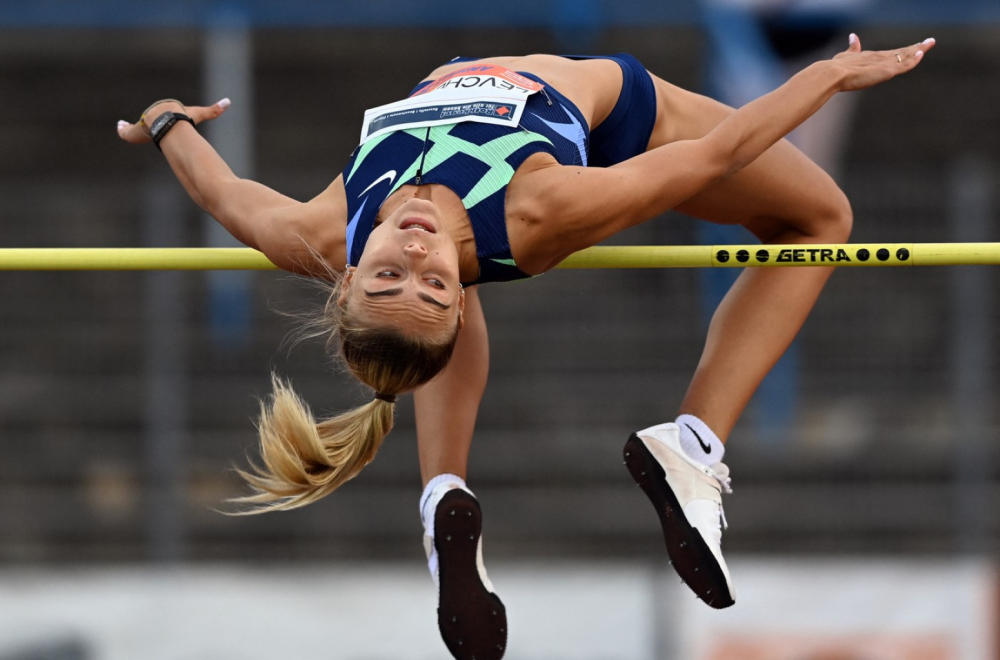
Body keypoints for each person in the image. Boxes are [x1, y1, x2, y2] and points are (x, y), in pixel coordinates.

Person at [117, 34, 933, 659]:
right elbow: (714, 154)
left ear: (342, 279)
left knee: (420, 321)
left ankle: (443, 496)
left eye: (385, 279)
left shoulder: (316, 231)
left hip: (503, 122)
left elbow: (222, 193)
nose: (414, 256)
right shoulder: (541, 213)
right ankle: (692, 444)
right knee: (820, 220)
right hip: (620, 121)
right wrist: (825, 77)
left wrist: (165, 119)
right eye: (434, 285)